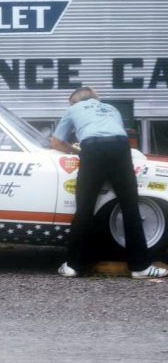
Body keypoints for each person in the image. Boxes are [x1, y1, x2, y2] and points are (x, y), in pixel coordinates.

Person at [51, 87, 168, 279]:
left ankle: (73, 266)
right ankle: (140, 267)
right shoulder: (112, 109)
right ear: (96, 98)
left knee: (85, 208)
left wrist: (75, 150)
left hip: (93, 149)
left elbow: (55, 143)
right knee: (130, 207)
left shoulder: (73, 109)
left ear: (73, 102)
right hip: (120, 149)